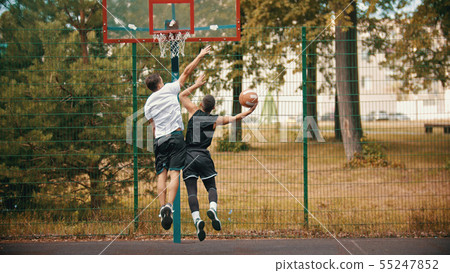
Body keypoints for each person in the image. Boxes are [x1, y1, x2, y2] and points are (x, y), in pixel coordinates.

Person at [178, 74, 258, 241]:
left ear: (201, 105)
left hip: (188, 156)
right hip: (203, 156)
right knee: (211, 187)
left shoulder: (193, 112)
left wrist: (197, 84)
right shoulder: (215, 120)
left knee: (191, 191)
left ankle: (197, 220)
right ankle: (213, 210)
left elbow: (181, 95)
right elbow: (235, 118)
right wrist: (249, 111)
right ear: (213, 109)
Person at [144, 45, 211, 230]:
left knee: (161, 174)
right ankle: (169, 207)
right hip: (175, 137)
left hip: (160, 139)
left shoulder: (148, 103)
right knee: (175, 173)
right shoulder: (170, 89)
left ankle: (161, 208)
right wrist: (200, 55)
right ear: (160, 83)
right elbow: (187, 71)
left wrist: (156, 145)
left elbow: (153, 127)